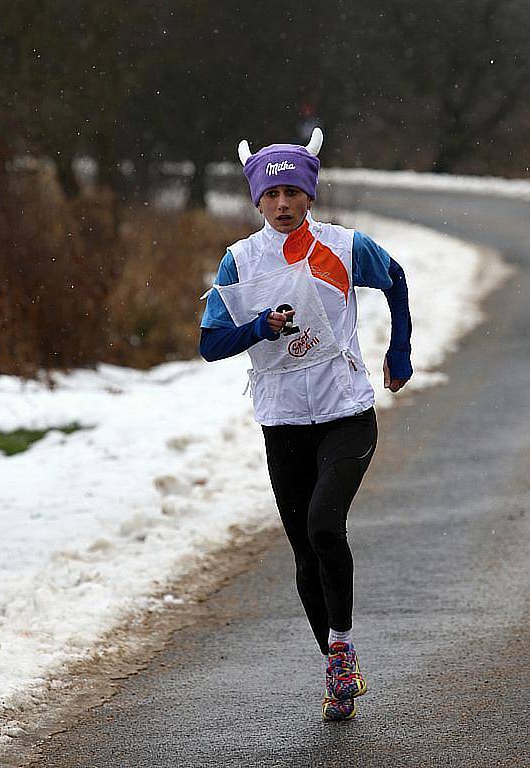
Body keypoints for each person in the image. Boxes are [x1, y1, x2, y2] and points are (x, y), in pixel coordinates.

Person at [199, 128, 412, 721]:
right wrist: (259, 329)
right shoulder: (241, 260)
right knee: (302, 550)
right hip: (283, 419)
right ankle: (334, 662)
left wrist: (399, 352)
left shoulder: (345, 247)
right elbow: (210, 343)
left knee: (324, 525)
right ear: (257, 200)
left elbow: (394, 279)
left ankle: (341, 646)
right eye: (272, 194)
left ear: (310, 195)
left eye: (294, 191)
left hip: (346, 410)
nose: (284, 203)